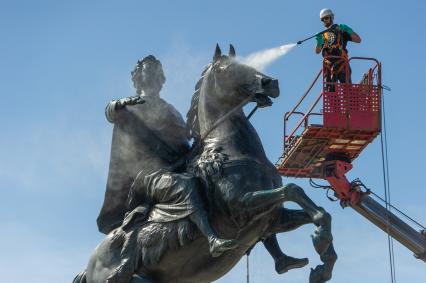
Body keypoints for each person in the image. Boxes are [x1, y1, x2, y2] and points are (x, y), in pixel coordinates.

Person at [98, 55, 237, 258]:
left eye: (157, 69)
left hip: (177, 166)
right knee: (185, 186)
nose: (154, 72)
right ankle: (211, 239)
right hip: (148, 177)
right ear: (138, 77)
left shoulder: (171, 110)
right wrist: (118, 104)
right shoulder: (130, 105)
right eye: (148, 68)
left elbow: (183, 143)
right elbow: (110, 111)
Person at [315, 8, 361, 89]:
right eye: (322, 19)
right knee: (330, 93)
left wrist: (348, 30)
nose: (324, 20)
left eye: (326, 18)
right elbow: (317, 51)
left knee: (347, 90)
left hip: (341, 64)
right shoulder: (323, 35)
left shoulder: (340, 29)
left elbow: (358, 40)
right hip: (329, 66)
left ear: (331, 17)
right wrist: (319, 41)